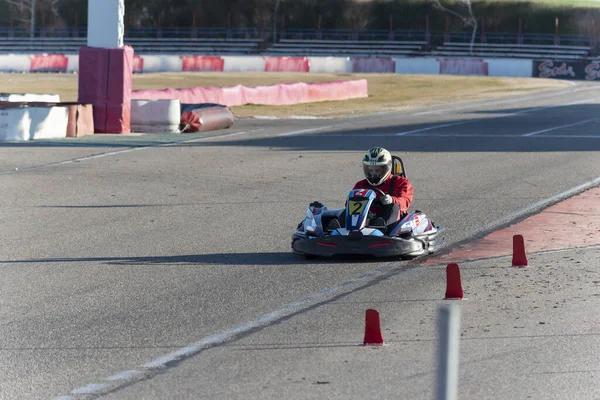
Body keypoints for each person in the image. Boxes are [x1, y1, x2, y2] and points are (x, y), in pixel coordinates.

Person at [329, 147, 413, 230]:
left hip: (387, 221)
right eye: (371, 170)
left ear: (387, 167)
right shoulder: (361, 184)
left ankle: (382, 228)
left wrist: (391, 200)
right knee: (350, 207)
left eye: (377, 170)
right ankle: (339, 227)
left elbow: (405, 202)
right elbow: (348, 204)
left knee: (394, 206)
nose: (374, 174)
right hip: (364, 218)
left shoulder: (400, 182)